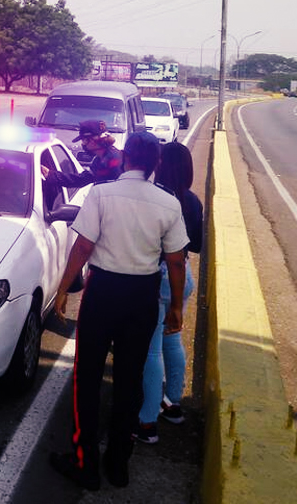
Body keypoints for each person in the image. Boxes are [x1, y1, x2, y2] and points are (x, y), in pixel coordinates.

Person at [47, 132, 189, 491]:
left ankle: (85, 463)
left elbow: (82, 247)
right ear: (156, 162)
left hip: (104, 291)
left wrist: (64, 289)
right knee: (130, 378)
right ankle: (118, 464)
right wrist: (175, 307)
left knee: (87, 377)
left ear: (125, 158)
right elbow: (175, 262)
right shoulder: (169, 202)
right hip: (142, 296)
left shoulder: (101, 193)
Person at [134, 141, 204, 444]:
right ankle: (172, 404)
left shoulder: (156, 198)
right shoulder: (192, 200)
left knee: (151, 351)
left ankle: (147, 423)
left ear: (161, 164)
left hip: (159, 276)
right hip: (184, 275)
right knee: (172, 340)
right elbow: (197, 245)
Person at [42, 120, 123, 188]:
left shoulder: (113, 161)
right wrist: (50, 175)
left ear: (92, 141)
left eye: (83, 140)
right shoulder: (100, 159)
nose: (82, 144)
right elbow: (82, 179)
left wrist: (51, 175)